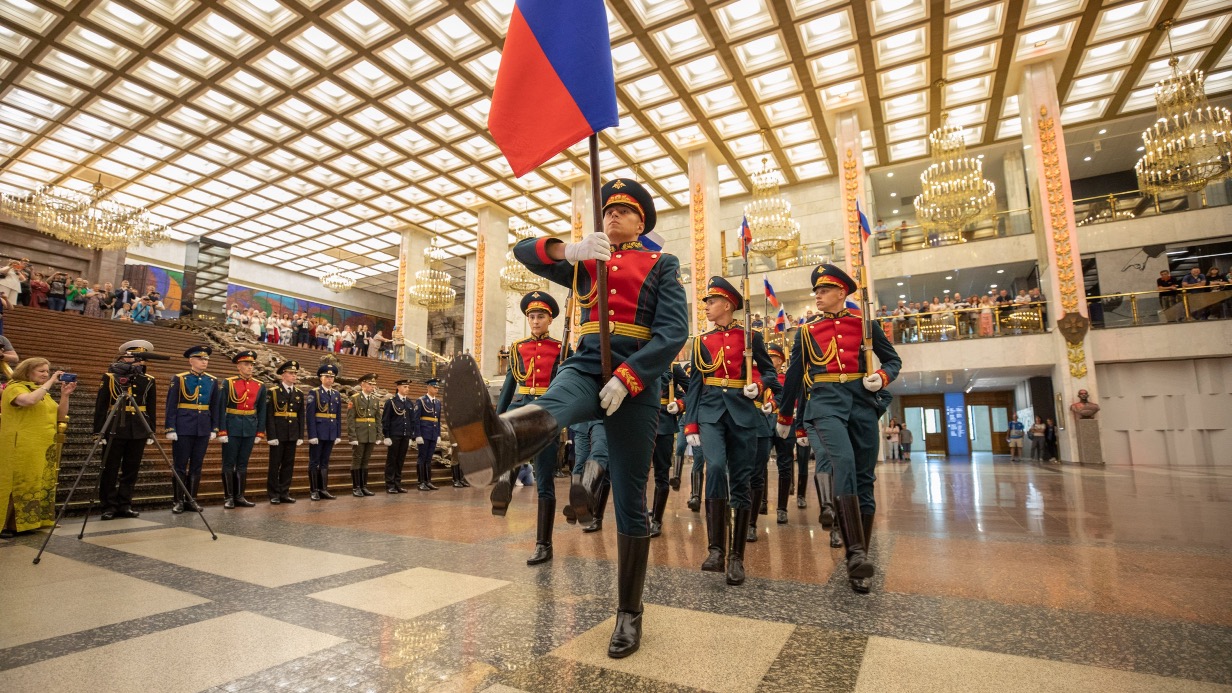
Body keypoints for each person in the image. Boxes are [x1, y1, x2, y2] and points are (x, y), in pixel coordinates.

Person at [444, 177, 688, 659]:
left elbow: (674, 331)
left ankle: (629, 612)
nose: (612, 217)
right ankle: (498, 440)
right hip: (584, 364)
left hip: (633, 378)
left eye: (623, 211)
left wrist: (631, 376)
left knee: (630, 499)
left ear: (642, 220)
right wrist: (571, 249)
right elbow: (522, 251)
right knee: (550, 412)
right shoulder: (587, 261)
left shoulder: (662, 264)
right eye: (607, 211)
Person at [775, 264, 902, 594]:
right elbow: (792, 378)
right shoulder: (806, 332)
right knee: (842, 462)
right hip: (824, 404)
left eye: (824, 290)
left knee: (864, 480)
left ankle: (859, 560)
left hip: (861, 404)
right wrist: (786, 417)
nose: (817, 295)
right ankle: (855, 552)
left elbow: (892, 361)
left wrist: (883, 377)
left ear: (842, 293)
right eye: (816, 291)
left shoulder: (865, 326)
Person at [494, 292, 566, 563]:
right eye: (531, 317)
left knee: (545, 480)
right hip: (521, 407)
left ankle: (543, 544)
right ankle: (505, 481)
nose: (535, 321)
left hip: (548, 411)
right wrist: (497, 417)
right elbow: (510, 385)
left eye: (540, 317)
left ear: (549, 320)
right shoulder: (517, 348)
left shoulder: (561, 348)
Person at [0, 358, 76, 537]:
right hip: (21, 445)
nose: (46, 374)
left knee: (38, 482)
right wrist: (50, 383)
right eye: (41, 371)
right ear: (27, 371)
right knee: (18, 482)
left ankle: (32, 521)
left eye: (47, 371)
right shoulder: (15, 387)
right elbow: (28, 401)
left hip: (43, 444)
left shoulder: (42, 392)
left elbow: (60, 414)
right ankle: (7, 524)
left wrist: (65, 395)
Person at [94, 340, 158, 521]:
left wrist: (150, 430)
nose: (139, 362)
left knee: (131, 469)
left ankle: (125, 504)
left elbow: (151, 407)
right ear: (124, 358)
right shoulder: (110, 377)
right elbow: (101, 406)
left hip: (138, 427)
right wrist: (98, 432)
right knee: (110, 468)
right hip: (115, 425)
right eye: (135, 358)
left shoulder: (148, 380)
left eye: (141, 359)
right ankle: (108, 506)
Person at [164, 345, 219, 514]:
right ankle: (178, 500)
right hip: (183, 426)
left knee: (197, 465)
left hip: (202, 428)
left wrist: (214, 428)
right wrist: (170, 427)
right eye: (201, 359)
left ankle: (191, 499)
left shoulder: (212, 380)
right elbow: (171, 404)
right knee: (180, 465)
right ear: (191, 360)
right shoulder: (179, 378)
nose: (204, 362)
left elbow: (215, 406)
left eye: (206, 359)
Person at [215, 350, 267, 509]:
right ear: (238, 366)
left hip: (250, 428)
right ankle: (229, 496)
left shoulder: (260, 385)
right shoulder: (228, 383)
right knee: (229, 463)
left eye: (251, 364)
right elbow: (220, 407)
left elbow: (262, 410)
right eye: (246, 364)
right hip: (232, 426)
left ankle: (240, 496)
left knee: (243, 464)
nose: (250, 367)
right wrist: (221, 430)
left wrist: (260, 431)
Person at [649, 362, 687, 538]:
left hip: (663, 424)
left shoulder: (672, 367)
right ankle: (639, 515)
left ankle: (657, 520)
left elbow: (693, 390)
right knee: (636, 475)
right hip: (640, 424)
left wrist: (680, 403)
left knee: (661, 474)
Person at [266, 360, 305, 504]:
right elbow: (269, 415)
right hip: (278, 433)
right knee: (275, 465)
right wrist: (271, 435)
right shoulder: (273, 392)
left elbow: (301, 415)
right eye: (291, 373)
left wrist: (300, 435)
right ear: (283, 375)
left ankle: (284, 492)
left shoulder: (298, 393)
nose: (294, 376)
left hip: (292, 433)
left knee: (288, 465)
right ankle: (273, 493)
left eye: (295, 373)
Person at [306, 363, 342, 500]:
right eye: (327, 376)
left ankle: (323, 489)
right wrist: (312, 435)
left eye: (332, 377)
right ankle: (314, 490)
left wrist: (338, 434)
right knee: (314, 461)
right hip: (319, 431)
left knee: (325, 461)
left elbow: (338, 416)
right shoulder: (314, 392)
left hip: (331, 432)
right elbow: (310, 416)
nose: (330, 379)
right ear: (321, 378)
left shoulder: (336, 394)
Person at [347, 373, 382, 497]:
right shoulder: (355, 398)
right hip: (359, 434)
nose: (372, 386)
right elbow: (350, 419)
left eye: (373, 384)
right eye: (369, 384)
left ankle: (364, 486)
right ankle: (356, 487)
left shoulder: (375, 400)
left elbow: (378, 419)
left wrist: (379, 435)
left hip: (370, 434)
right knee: (357, 460)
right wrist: (352, 437)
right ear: (362, 384)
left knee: (366, 461)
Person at [382, 379, 419, 494]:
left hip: (405, 435)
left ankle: (398, 484)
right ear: (398, 388)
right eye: (405, 386)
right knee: (392, 460)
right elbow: (386, 420)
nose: (407, 389)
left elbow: (412, 420)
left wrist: (411, 436)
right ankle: (390, 484)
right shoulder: (391, 402)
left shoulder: (409, 402)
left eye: (408, 387)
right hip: (394, 435)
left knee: (400, 460)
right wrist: (386, 435)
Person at [414, 378, 443, 491]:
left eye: (437, 388)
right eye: (434, 387)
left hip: (433, 433)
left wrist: (438, 434)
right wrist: (417, 434)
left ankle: (428, 481)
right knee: (422, 458)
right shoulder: (421, 401)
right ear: (428, 387)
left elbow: (438, 419)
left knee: (429, 458)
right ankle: (421, 482)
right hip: (424, 432)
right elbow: (416, 419)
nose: (436, 389)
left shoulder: (437, 402)